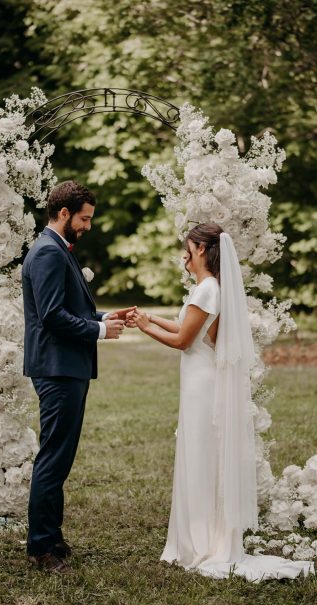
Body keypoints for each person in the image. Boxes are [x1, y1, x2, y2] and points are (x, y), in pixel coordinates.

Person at [128, 223, 314, 581]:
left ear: (200, 249)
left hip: (202, 385)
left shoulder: (207, 289)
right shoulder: (208, 289)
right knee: (201, 455)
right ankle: (202, 534)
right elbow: (190, 327)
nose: (184, 252)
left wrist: (144, 328)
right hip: (199, 380)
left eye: (188, 247)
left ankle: (203, 541)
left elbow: (184, 340)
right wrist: (149, 318)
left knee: (201, 456)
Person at [22, 180, 134, 573]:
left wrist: (105, 317)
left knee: (60, 456)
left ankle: (51, 536)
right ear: (64, 213)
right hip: (57, 368)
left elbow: (67, 307)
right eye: (84, 219)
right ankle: (40, 548)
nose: (88, 226)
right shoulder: (48, 252)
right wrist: (100, 332)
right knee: (53, 458)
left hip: (65, 367)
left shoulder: (56, 249)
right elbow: (52, 316)